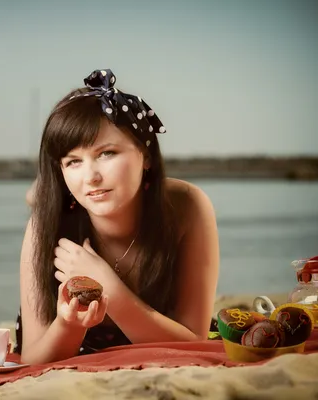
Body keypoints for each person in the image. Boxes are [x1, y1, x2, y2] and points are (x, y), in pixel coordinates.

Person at [14, 69, 220, 365]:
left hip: (165, 344)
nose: (91, 177)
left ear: (145, 155)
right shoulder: (47, 225)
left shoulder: (186, 207)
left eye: (106, 153)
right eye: (73, 161)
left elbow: (192, 344)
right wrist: (70, 324)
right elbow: (33, 360)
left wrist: (109, 288)